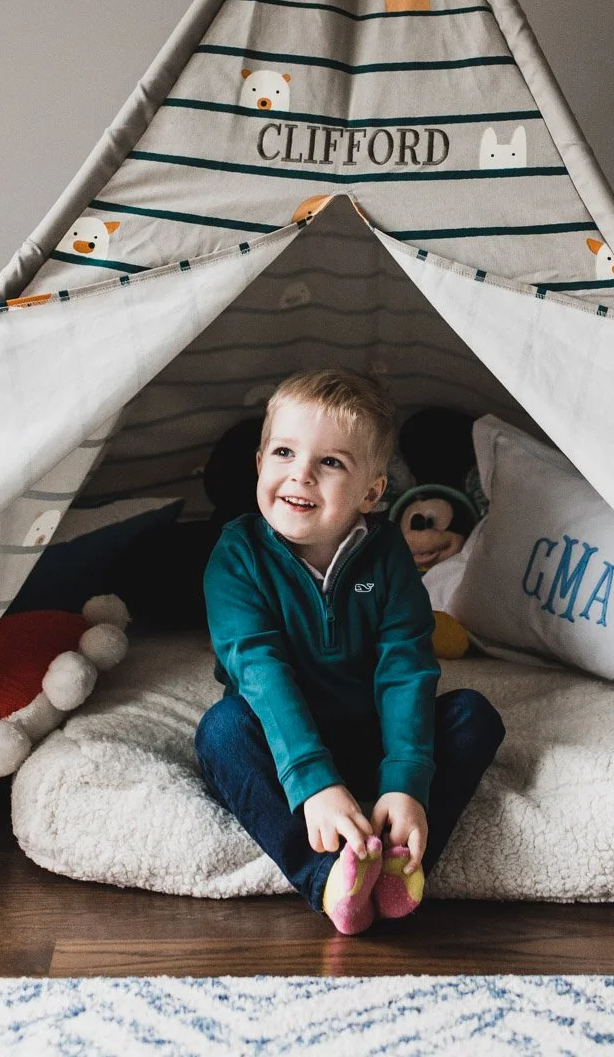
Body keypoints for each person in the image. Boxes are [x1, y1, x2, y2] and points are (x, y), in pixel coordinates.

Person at [195, 368, 505, 935]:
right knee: (221, 732)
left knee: (474, 716)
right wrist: (313, 782)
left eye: (331, 462)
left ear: (372, 493)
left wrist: (406, 781)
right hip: (282, 746)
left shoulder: (387, 556)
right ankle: (328, 878)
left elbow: (405, 665)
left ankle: (398, 868)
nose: (301, 474)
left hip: (373, 738)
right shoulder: (237, 556)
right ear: (259, 462)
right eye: (284, 452)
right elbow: (259, 670)